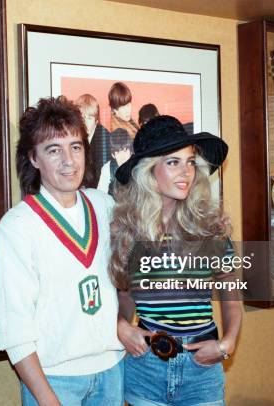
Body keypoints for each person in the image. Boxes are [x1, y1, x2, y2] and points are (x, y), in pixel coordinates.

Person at [0, 96, 124, 405]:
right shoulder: (18, 226)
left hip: (112, 371)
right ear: (33, 159)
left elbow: (125, 282)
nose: (69, 161)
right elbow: (15, 326)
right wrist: (47, 399)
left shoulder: (104, 206)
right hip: (54, 380)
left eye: (75, 147)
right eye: (54, 149)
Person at [110, 115, 242, 406]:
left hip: (201, 370)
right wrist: (121, 324)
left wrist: (227, 344)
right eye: (173, 162)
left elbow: (231, 297)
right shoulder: (129, 231)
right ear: (149, 171)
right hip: (145, 368)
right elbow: (125, 299)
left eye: (191, 161)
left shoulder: (211, 228)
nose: (186, 172)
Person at [76, 94, 111, 186]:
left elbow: (101, 178)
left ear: (96, 121)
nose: (85, 123)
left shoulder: (104, 140)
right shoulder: (75, 136)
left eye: (89, 118)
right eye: (82, 118)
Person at [97, 129, 132, 196]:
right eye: (118, 152)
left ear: (130, 151)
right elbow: (100, 195)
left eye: (125, 151)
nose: (123, 157)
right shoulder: (107, 168)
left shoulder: (137, 167)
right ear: (113, 155)